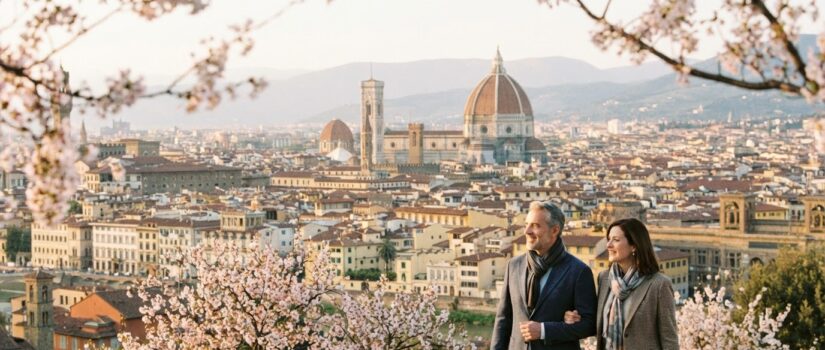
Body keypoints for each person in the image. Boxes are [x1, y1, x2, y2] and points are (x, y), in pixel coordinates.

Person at [491, 201, 597, 350]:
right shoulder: (514, 266)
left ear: (554, 230)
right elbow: (503, 320)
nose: (527, 231)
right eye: (526, 224)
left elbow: (589, 325)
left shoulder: (578, 271)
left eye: (535, 225)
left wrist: (544, 330)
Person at [563, 218, 679, 350]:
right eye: (609, 239)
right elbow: (600, 325)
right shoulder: (605, 278)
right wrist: (576, 319)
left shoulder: (659, 284)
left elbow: (669, 338)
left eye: (616, 240)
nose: (608, 245)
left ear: (634, 245)